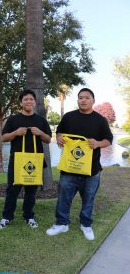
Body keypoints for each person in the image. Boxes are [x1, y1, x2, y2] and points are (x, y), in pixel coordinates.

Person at [46, 88, 113, 240]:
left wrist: (97, 143)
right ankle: (62, 224)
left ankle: (86, 224)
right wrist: (59, 138)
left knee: (88, 199)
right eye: (80, 97)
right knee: (63, 198)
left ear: (93, 100)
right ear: (77, 100)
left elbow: (108, 140)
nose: (83, 100)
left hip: (91, 171)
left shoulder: (100, 120)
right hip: (69, 169)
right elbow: (60, 133)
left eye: (87, 98)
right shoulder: (69, 117)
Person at [0, 89, 52, 229]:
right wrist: (16, 133)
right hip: (16, 161)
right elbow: (3, 138)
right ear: (21, 102)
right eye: (25, 99)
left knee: (31, 191)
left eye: (31, 99)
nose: (28, 101)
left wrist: (40, 133)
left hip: (35, 160)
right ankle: (7, 217)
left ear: (35, 102)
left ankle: (29, 216)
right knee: (12, 190)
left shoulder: (41, 120)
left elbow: (48, 139)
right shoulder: (13, 119)